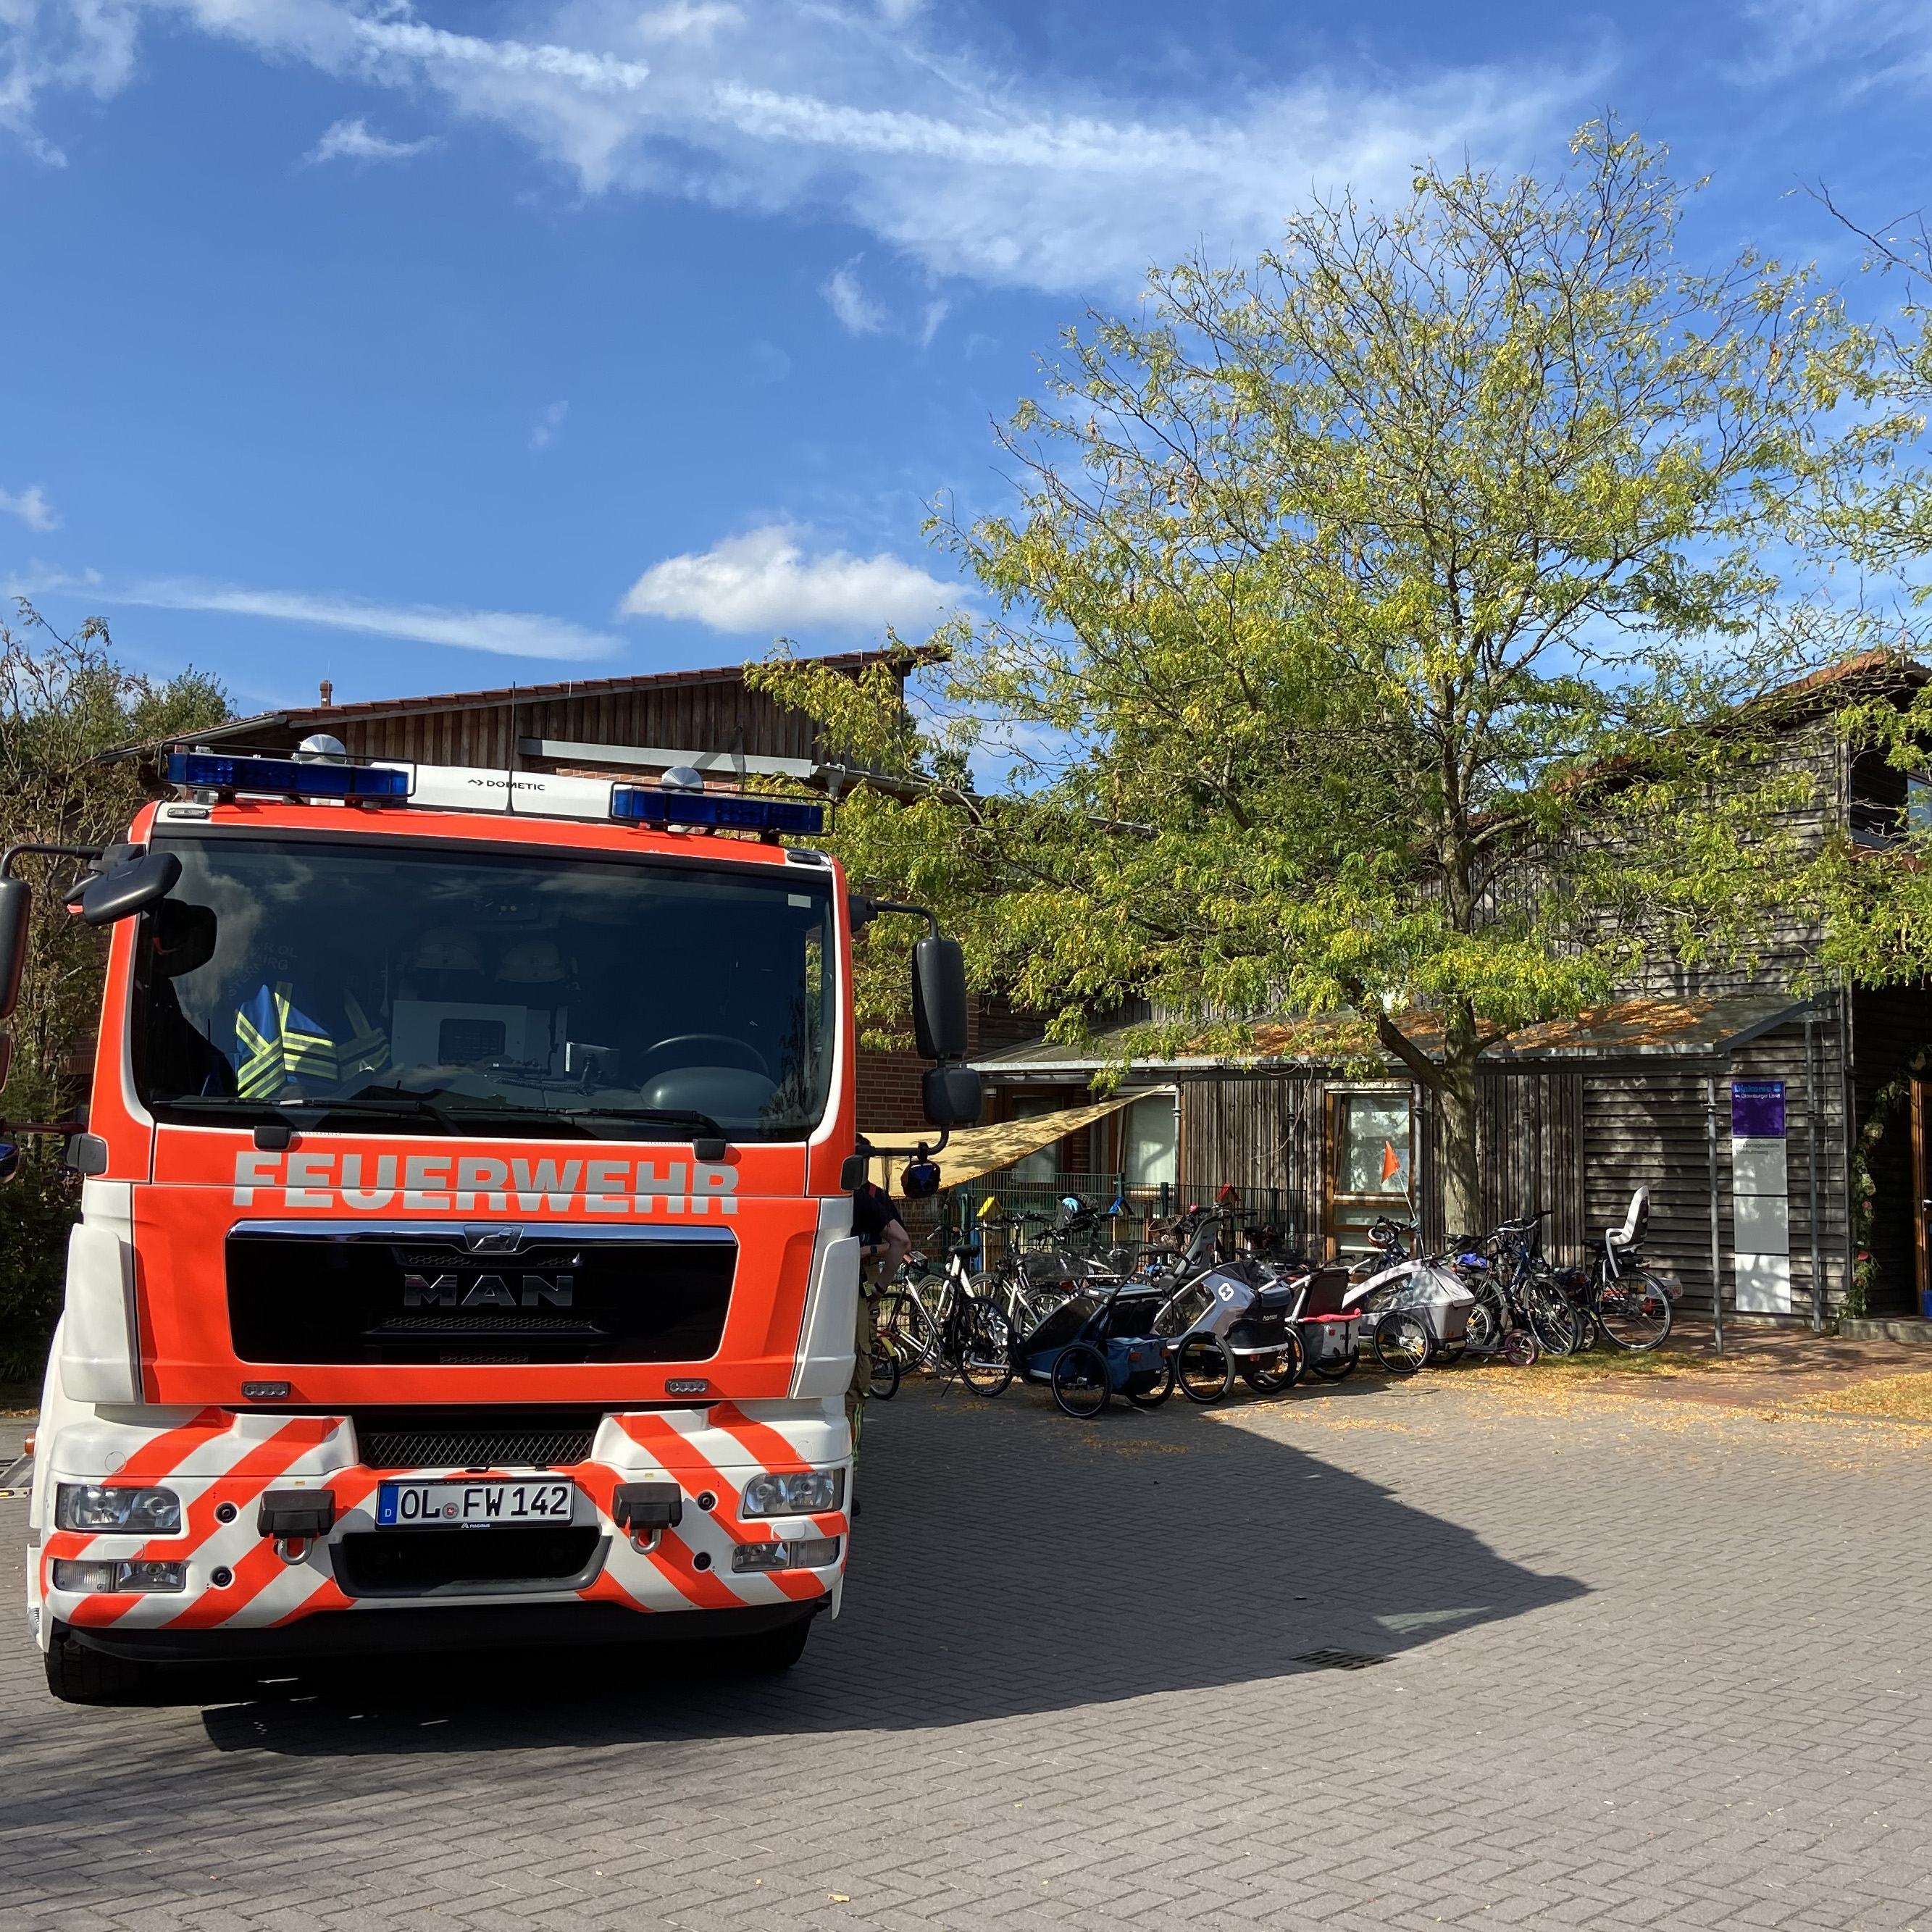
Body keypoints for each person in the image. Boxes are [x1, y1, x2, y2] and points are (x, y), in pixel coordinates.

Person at [848, 1147, 911, 1439]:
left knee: (864, 1344)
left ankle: (851, 1433)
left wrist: (867, 1251)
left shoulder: (873, 1197)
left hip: (865, 1274)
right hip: (856, 1278)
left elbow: (900, 1243)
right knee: (858, 1350)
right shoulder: (855, 1195)